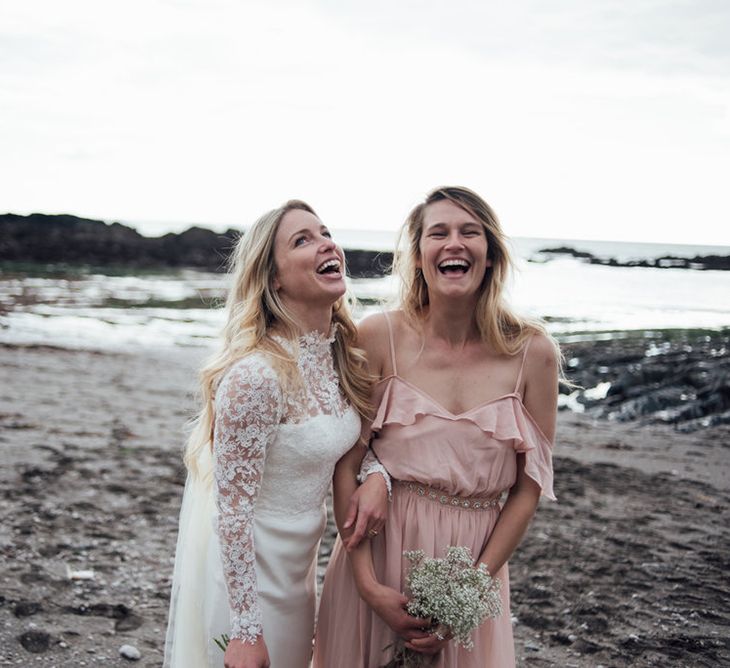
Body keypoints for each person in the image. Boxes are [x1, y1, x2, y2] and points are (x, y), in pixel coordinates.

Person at [314, 186, 559, 667]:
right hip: (377, 562)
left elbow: (529, 489)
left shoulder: (534, 352)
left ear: (489, 255)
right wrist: (369, 588)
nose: (454, 243)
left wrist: (468, 594)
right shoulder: (378, 335)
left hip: (473, 569)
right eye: (438, 233)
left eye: (470, 232)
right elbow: (346, 464)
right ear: (419, 253)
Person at [163, 200, 377, 668]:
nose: (326, 243)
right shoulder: (256, 376)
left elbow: (354, 444)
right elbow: (232, 509)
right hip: (248, 585)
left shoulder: (339, 355)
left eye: (324, 232)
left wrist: (377, 473)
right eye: (303, 240)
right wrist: (245, 628)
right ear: (274, 278)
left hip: (301, 573)